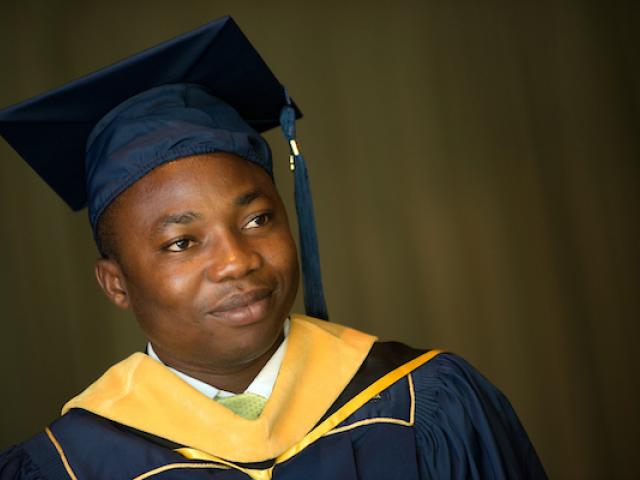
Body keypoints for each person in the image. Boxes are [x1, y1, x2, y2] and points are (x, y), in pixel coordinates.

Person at [0, 16, 546, 479]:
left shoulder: (424, 402)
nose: (237, 260)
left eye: (258, 218)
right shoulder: (68, 464)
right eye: (182, 242)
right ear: (115, 283)